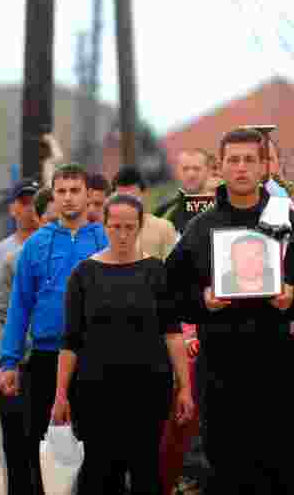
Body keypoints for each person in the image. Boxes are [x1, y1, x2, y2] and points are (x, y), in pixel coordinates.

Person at [164, 127, 294, 494]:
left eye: (250, 159)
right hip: (221, 367)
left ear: (264, 165)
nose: (241, 168)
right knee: (229, 468)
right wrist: (201, 300)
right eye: (233, 160)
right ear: (220, 167)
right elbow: (169, 291)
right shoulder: (201, 229)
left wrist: (293, 297)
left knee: (286, 465)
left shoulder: (288, 222)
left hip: (279, 362)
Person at [50, 194, 194, 494]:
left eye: (130, 227)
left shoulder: (156, 272)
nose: (123, 234)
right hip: (94, 391)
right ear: (104, 226)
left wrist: (185, 387)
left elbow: (172, 333)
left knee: (146, 468)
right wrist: (60, 394)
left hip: (148, 389)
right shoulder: (83, 274)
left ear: (140, 226)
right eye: (116, 226)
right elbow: (71, 340)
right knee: (100, 471)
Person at [0, 164, 110, 495]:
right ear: (53, 196)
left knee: (100, 443)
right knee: (32, 441)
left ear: (89, 195)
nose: (69, 198)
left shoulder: (104, 238)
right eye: (62, 191)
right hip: (45, 355)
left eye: (76, 191)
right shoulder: (34, 246)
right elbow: (19, 305)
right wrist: (9, 360)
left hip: (95, 357)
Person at [0, 178, 42, 495]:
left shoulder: (52, 246)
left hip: (46, 356)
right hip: (12, 358)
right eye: (24, 201)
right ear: (13, 207)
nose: (30, 207)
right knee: (15, 440)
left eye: (35, 200)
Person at [113, 166, 179, 261]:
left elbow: (175, 269)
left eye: (132, 197)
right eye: (121, 198)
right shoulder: (105, 231)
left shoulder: (163, 228)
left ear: (144, 194)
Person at [156, 149, 210, 233]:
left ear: (208, 171)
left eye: (196, 169)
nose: (191, 174)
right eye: (185, 169)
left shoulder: (224, 208)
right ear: (177, 172)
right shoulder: (164, 212)